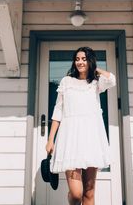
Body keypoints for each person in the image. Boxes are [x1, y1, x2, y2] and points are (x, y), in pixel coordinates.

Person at [45, 46, 116, 205]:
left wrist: (95, 69)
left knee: (89, 193)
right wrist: (51, 139)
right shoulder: (66, 81)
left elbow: (112, 80)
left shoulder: (96, 83)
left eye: (84, 59)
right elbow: (58, 111)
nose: (80, 62)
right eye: (77, 59)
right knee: (77, 194)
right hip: (71, 139)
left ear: (90, 61)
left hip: (92, 139)